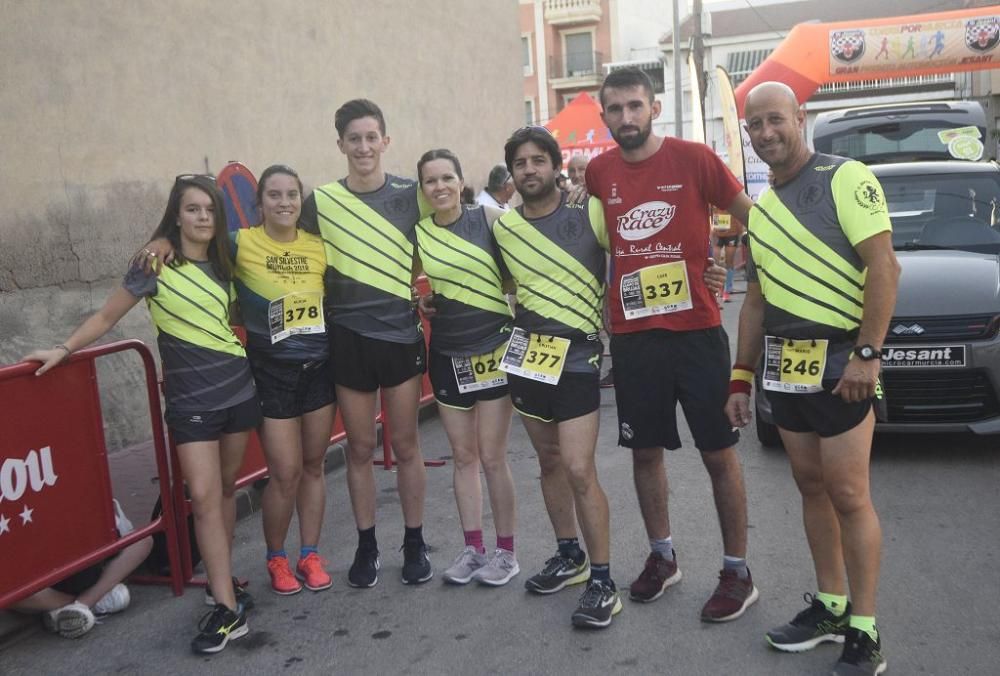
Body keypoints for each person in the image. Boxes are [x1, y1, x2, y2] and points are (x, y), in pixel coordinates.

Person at [24, 174, 258, 654]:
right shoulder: (153, 265)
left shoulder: (226, 262)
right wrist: (64, 349)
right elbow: (107, 317)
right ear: (176, 214)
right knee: (205, 498)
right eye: (192, 209)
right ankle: (227, 608)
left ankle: (224, 581)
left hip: (239, 391)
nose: (203, 218)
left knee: (228, 490)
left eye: (211, 210)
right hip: (192, 402)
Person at [728, 81, 899, 676]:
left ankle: (866, 629)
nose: (766, 133)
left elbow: (884, 265)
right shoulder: (763, 210)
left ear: (799, 118)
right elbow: (755, 300)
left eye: (775, 120)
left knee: (850, 494)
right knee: (810, 486)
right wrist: (741, 377)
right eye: (756, 126)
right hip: (785, 364)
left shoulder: (844, 177)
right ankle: (829, 605)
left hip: (844, 361)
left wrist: (869, 354)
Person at [585, 67, 758, 622]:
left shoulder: (693, 158)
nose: (626, 118)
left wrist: (728, 265)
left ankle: (737, 571)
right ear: (604, 114)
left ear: (654, 107)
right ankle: (663, 558)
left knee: (718, 454)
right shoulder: (598, 171)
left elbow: (750, 217)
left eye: (635, 106)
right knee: (645, 452)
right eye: (615, 109)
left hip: (697, 334)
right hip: (634, 340)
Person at [299, 99, 433, 587]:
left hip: (399, 336)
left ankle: (415, 542)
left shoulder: (411, 193)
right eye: (353, 138)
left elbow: (451, 229)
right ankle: (367, 545)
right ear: (340, 145)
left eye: (370, 137)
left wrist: (434, 292)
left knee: (405, 444)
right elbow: (279, 242)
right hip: (347, 339)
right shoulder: (321, 201)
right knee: (358, 448)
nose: (363, 146)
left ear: (385, 141)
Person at [492, 125, 620, 628]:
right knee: (548, 462)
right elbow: (499, 282)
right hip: (527, 354)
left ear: (555, 165)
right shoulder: (503, 228)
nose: (529, 170)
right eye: (520, 163)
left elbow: (631, 255)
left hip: (579, 355)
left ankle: (604, 580)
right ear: (512, 173)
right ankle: (571, 556)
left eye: (537, 160)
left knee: (579, 468)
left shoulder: (588, 210)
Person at [413, 149, 519, 587]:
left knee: (493, 457)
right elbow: (410, 280)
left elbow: (519, 273)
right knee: (463, 457)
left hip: (494, 348)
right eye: (430, 181)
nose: (439, 187)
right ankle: (473, 549)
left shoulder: (490, 219)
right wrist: (419, 300)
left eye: (447, 178)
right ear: (423, 189)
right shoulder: (418, 234)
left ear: (461, 182)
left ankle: (506, 553)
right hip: (448, 355)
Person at [231, 165, 336, 595]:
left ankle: (309, 554)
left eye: (292, 194)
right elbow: (189, 246)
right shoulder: (239, 242)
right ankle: (276, 557)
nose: (284, 202)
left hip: (318, 367)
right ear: (260, 204)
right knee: (285, 472)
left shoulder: (318, 246)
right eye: (274, 195)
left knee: (314, 467)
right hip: (270, 371)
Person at [9, 501, 151, 639]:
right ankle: (87, 603)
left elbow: (121, 532)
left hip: (90, 555)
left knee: (144, 540)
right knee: (9, 591)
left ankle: (82, 604)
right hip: (42, 575)